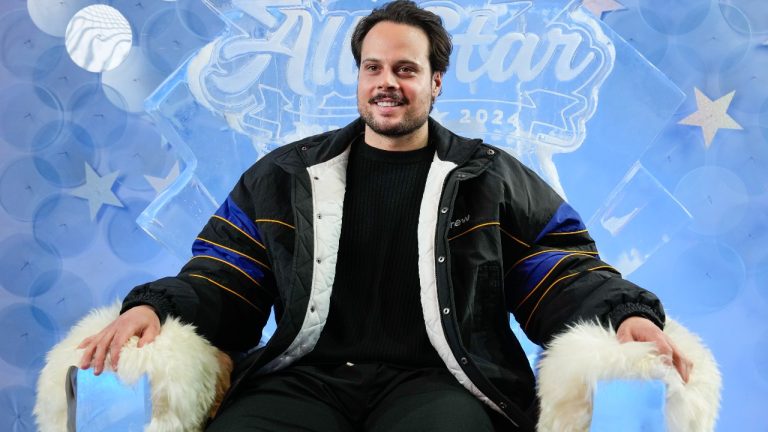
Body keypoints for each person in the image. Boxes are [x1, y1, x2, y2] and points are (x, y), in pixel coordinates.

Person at [78, 1, 692, 430]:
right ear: (358, 76)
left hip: (443, 381)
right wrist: (153, 306)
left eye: (406, 69)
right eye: (373, 67)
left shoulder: (491, 176)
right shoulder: (285, 173)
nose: (386, 82)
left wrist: (625, 314)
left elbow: (559, 271)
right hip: (305, 377)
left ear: (436, 82)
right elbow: (226, 278)